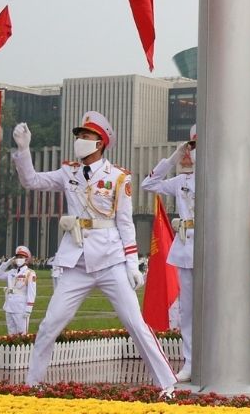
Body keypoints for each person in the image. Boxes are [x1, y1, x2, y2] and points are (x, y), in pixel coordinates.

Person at [10, 113, 176, 392]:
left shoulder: (118, 177)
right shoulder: (68, 172)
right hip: (76, 261)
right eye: (78, 136)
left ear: (100, 143)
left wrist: (133, 264)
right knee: (50, 323)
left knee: (136, 324)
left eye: (85, 136)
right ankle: (32, 384)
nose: (79, 141)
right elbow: (32, 181)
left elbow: (125, 222)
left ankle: (167, 384)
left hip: (111, 261)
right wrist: (24, 149)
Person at [140, 124, 197, 381]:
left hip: (212, 249)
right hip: (186, 246)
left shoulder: (219, 177)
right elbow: (148, 184)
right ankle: (191, 361)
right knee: (187, 308)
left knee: (214, 307)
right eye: (192, 146)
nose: (194, 152)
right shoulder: (181, 180)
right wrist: (173, 158)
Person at [0, 245, 37, 335]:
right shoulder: (11, 272)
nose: (18, 259)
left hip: (21, 307)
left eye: (21, 257)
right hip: (9, 305)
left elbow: (32, 292)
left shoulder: (30, 273)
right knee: (11, 334)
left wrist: (29, 309)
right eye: (17, 257)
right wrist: (7, 263)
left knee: (22, 334)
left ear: (26, 259)